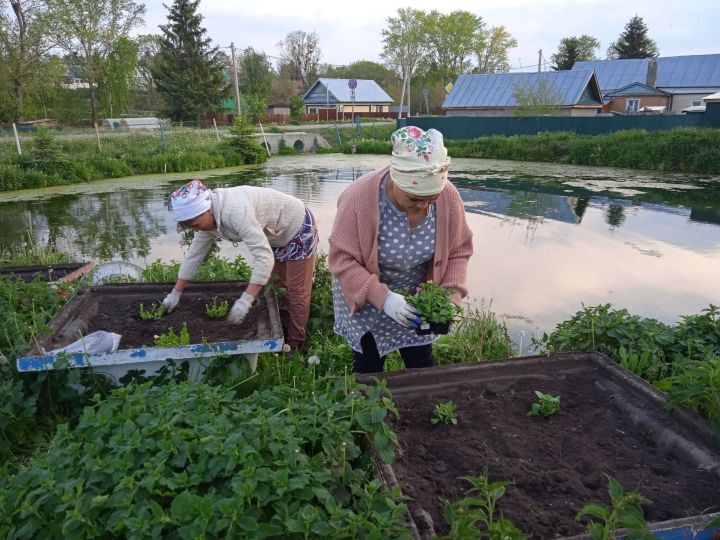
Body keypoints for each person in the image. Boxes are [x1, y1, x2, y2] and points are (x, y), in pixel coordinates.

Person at [328, 126, 473, 373]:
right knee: (369, 367)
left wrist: (449, 298)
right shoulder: (358, 199)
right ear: (396, 179)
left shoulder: (448, 197)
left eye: (431, 198)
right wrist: (384, 299)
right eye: (414, 198)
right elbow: (342, 261)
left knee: (422, 365)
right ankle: (368, 408)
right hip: (367, 298)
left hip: (417, 299)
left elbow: (459, 249)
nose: (423, 206)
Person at [162, 179, 318, 354]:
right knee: (278, 286)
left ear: (207, 209)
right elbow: (194, 255)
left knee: (297, 293)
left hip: (296, 225)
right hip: (273, 233)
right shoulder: (207, 222)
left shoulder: (236, 211)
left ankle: (296, 346)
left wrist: (246, 299)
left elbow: (263, 257)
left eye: (196, 225)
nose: (196, 230)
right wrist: (175, 292)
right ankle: (283, 333)